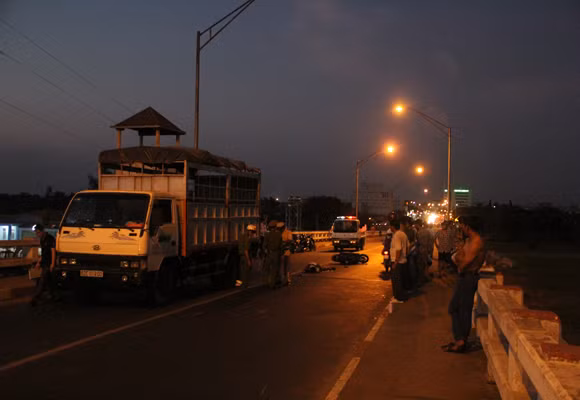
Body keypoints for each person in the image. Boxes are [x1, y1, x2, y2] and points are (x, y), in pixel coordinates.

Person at [442, 216, 486, 353]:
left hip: (469, 277)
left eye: (461, 225)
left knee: (462, 309)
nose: (460, 228)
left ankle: (461, 342)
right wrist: (460, 253)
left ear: (467, 226)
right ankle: (460, 340)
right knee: (455, 308)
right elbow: (458, 260)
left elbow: (462, 264)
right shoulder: (468, 240)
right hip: (464, 277)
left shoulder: (476, 241)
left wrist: (460, 252)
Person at [30, 224, 57, 307]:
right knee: (48, 280)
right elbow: (43, 253)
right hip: (44, 262)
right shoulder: (42, 240)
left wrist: (52, 264)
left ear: (42, 231)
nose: (37, 234)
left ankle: (36, 298)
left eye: (38, 232)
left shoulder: (50, 239)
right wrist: (39, 262)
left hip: (49, 262)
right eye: (36, 233)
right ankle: (53, 295)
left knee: (42, 280)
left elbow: (53, 252)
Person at [390, 219, 410, 303]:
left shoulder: (396, 235)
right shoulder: (403, 234)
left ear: (392, 227)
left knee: (396, 280)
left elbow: (398, 249)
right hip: (403, 260)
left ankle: (399, 298)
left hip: (398, 261)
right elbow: (408, 247)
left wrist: (395, 262)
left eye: (390, 226)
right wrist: (405, 256)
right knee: (402, 280)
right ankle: (401, 296)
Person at [263, 220, 282, 288]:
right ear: (275, 227)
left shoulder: (267, 234)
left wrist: (266, 252)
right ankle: (272, 283)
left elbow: (264, 245)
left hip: (269, 253)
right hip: (276, 253)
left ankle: (267, 282)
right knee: (274, 269)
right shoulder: (279, 234)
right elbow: (280, 245)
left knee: (267, 268)